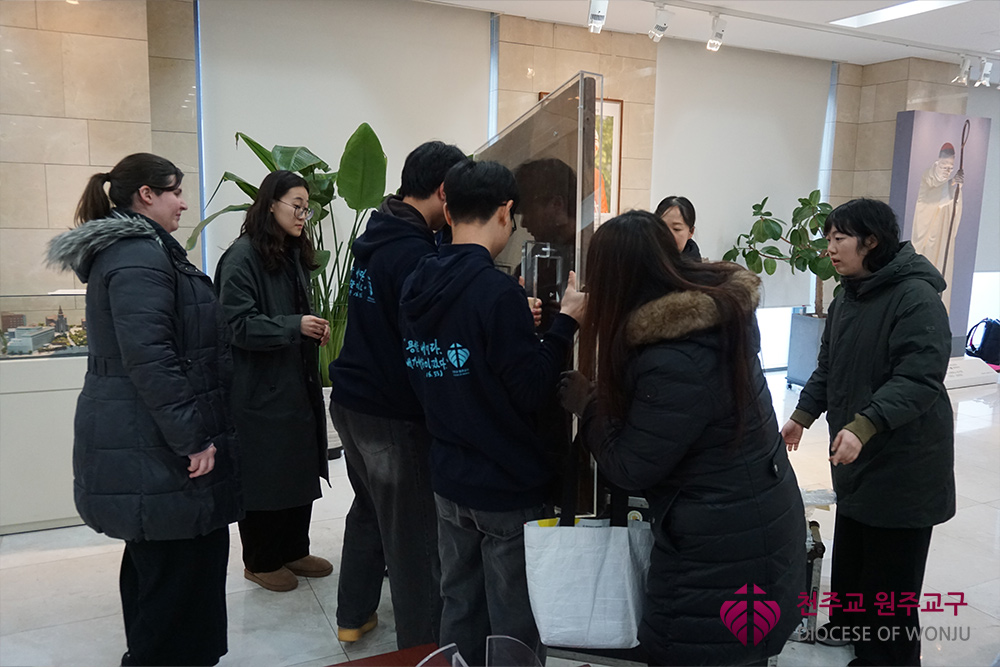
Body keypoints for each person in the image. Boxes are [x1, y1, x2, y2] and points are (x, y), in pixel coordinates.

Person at [560, 210, 804, 666]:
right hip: (750, 520)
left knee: (696, 650)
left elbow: (631, 466)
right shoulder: (714, 314)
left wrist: (588, 405)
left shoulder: (674, 358)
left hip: (721, 548)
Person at [46, 153, 241, 666]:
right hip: (153, 442)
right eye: (174, 191)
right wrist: (192, 438)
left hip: (148, 436)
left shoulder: (143, 250)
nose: (183, 203)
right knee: (175, 568)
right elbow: (151, 360)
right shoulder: (137, 257)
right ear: (146, 195)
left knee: (161, 561)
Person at [399, 160, 586, 665]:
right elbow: (531, 389)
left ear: (448, 210)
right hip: (504, 485)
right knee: (514, 620)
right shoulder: (496, 292)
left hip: (449, 476)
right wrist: (566, 322)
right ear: (505, 212)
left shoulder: (418, 280)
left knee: (459, 603)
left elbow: (433, 366)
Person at [782, 198, 955, 667]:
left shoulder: (915, 297)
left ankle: (888, 658)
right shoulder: (848, 296)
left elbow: (918, 378)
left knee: (891, 573)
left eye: (840, 238)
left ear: (871, 242)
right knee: (857, 549)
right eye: (828, 238)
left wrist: (865, 424)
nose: (830, 248)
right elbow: (828, 367)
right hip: (859, 453)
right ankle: (849, 626)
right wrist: (802, 415)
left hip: (904, 457)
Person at [329, 141, 468, 646]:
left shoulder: (379, 233)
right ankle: (423, 647)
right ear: (445, 191)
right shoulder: (413, 254)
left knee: (370, 510)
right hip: (389, 413)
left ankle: (353, 616)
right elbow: (423, 336)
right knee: (414, 538)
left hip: (352, 401)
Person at [215, 170, 331, 593]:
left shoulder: (290, 252)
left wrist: (311, 328)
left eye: (306, 208)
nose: (302, 215)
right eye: (296, 206)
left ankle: (294, 549)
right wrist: (293, 325)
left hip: (293, 382)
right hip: (259, 387)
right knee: (265, 474)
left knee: (298, 466)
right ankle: (261, 560)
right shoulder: (241, 257)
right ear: (270, 205)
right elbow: (236, 325)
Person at [911, 142, 964, 312]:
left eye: (950, 168)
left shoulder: (948, 183)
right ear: (937, 163)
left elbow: (955, 208)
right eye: (944, 166)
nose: (947, 171)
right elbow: (927, 201)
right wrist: (951, 185)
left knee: (942, 269)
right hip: (927, 238)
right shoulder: (928, 177)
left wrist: (958, 189)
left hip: (942, 237)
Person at [654, 195, 701, 261]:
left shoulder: (696, 265)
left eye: (676, 229)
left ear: (691, 232)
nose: (668, 234)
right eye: (662, 227)